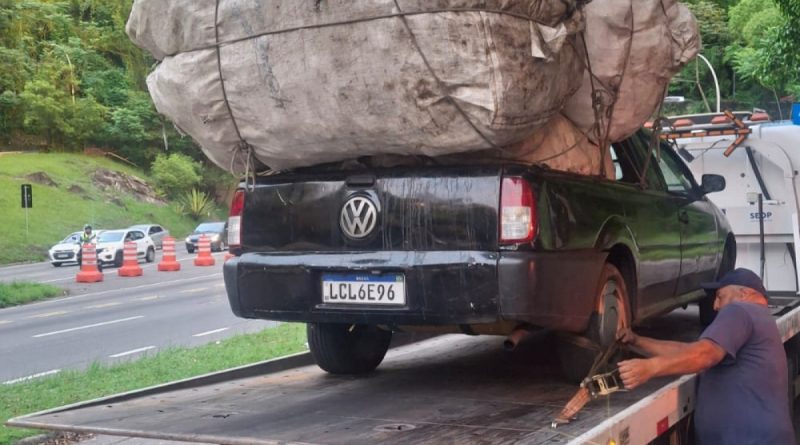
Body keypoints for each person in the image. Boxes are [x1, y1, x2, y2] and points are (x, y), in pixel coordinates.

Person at [617, 268, 795, 444]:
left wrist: (651, 368)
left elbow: (705, 355)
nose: (715, 306)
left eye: (720, 296)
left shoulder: (740, 311)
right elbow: (689, 351)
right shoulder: (759, 317)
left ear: (744, 293)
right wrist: (637, 341)